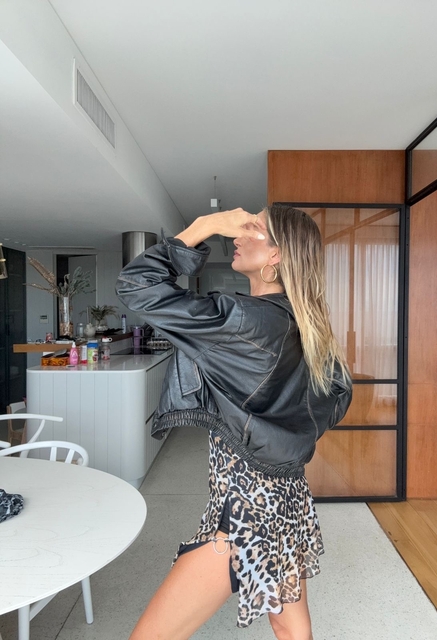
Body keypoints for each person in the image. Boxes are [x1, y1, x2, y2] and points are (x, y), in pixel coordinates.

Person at [116, 204, 352, 640]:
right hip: (286, 495)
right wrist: (279, 430)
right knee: (290, 625)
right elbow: (338, 395)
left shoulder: (244, 319)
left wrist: (204, 225)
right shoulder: (301, 321)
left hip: (245, 506)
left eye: (253, 229)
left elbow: (137, 285)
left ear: (276, 255)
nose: (237, 236)